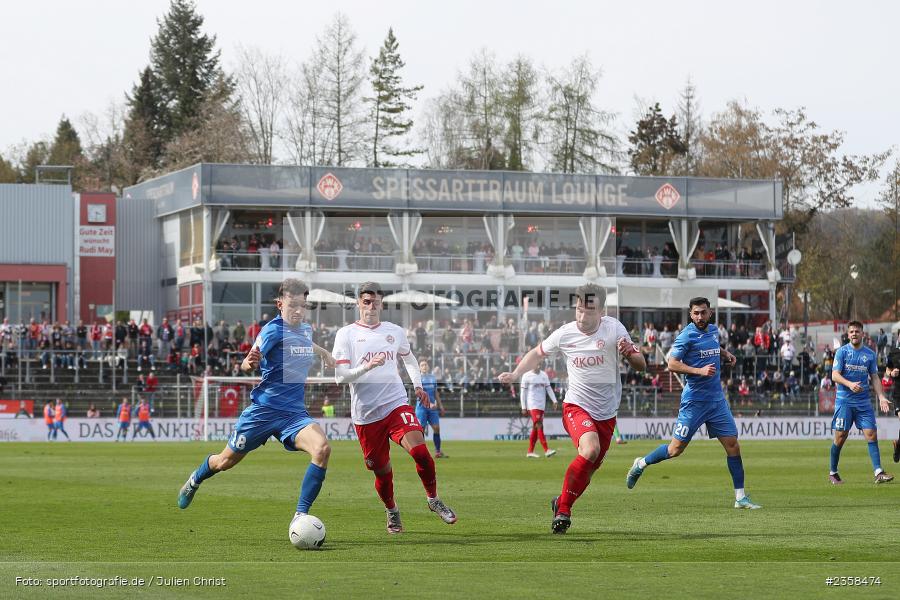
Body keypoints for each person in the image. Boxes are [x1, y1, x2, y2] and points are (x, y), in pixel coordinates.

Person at [177, 279, 335, 533]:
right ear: (279, 304)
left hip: (293, 414)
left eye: (302, 305)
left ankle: (300, 516)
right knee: (224, 462)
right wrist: (250, 362)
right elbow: (246, 363)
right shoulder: (272, 331)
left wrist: (324, 353)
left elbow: (306, 342)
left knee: (322, 449)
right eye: (293, 305)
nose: (298, 310)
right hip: (263, 411)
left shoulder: (305, 329)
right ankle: (195, 479)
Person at [499, 283, 646, 534]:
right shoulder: (565, 333)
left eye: (588, 311)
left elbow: (641, 365)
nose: (581, 316)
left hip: (607, 413)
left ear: (601, 311)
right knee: (590, 450)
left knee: (588, 471)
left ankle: (561, 501)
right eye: (578, 309)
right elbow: (537, 353)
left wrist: (630, 355)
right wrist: (515, 374)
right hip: (576, 405)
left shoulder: (614, 329)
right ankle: (563, 512)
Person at [331, 281, 457, 534]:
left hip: (396, 404)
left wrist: (418, 385)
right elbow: (340, 377)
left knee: (421, 452)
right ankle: (392, 510)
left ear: (381, 304)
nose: (371, 306)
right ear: (358, 304)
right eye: (366, 302)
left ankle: (433, 499)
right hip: (366, 416)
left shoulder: (394, 331)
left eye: (376, 302)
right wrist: (368, 366)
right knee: (382, 472)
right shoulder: (346, 334)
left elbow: (408, 358)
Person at [626, 297, 761, 510]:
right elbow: (671, 363)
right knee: (675, 449)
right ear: (690, 314)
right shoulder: (686, 336)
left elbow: (712, 348)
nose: (700, 316)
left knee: (733, 446)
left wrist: (725, 353)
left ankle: (740, 497)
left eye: (703, 312)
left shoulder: (713, 330)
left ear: (710, 313)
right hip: (694, 401)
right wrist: (699, 371)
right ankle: (640, 463)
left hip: (716, 400)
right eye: (696, 313)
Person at [828, 321, 893, 484]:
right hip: (844, 401)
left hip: (863, 402)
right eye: (851, 332)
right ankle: (833, 472)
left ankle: (878, 472)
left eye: (857, 331)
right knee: (840, 436)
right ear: (848, 334)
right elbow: (834, 375)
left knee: (871, 434)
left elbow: (875, 377)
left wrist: (881, 397)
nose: (854, 334)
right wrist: (850, 384)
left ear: (862, 334)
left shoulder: (870, 354)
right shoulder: (842, 352)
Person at [519, 363, 558, 458]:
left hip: (541, 405)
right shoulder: (526, 376)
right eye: (537, 365)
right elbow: (523, 392)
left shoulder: (544, 375)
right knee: (539, 425)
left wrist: (554, 400)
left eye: (540, 365)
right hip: (532, 405)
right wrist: (524, 407)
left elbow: (549, 388)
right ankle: (546, 450)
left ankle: (530, 451)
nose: (539, 366)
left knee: (535, 428)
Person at [416, 361, 447, 458]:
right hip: (422, 408)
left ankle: (438, 451)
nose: (424, 366)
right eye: (422, 365)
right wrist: (429, 404)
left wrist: (440, 406)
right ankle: (422, 453)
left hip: (433, 408)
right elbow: (419, 395)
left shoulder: (432, 378)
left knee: (437, 428)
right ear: (419, 368)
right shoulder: (417, 379)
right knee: (421, 430)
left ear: (428, 366)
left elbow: (435, 393)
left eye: (426, 364)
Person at [885, 338, 900, 463]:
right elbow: (887, 370)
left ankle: (897, 444)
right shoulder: (893, 353)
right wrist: (891, 373)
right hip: (898, 394)